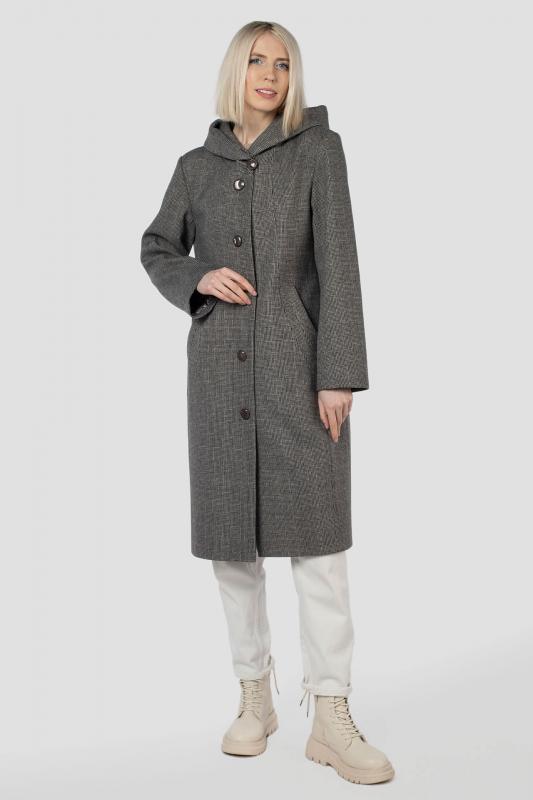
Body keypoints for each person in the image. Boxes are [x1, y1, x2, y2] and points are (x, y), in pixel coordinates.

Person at [140, 20, 394, 785]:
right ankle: (255, 697)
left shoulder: (319, 150)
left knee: (320, 552)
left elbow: (339, 263)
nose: (270, 74)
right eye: (257, 60)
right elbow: (156, 246)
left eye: (283, 63)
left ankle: (331, 714)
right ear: (235, 69)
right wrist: (196, 277)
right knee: (232, 552)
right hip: (218, 377)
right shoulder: (195, 166)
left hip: (298, 372)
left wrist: (337, 373)